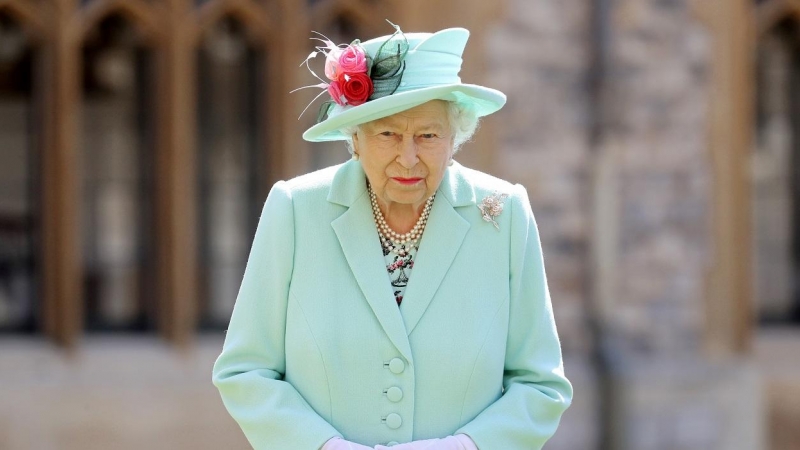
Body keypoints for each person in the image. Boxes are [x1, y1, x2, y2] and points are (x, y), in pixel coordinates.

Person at [211, 23, 572, 450]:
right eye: (388, 134)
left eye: (428, 135)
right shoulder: (295, 209)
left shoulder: (503, 213)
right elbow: (245, 371)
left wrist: (460, 448)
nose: (408, 156)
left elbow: (540, 385)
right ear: (355, 138)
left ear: (454, 138)